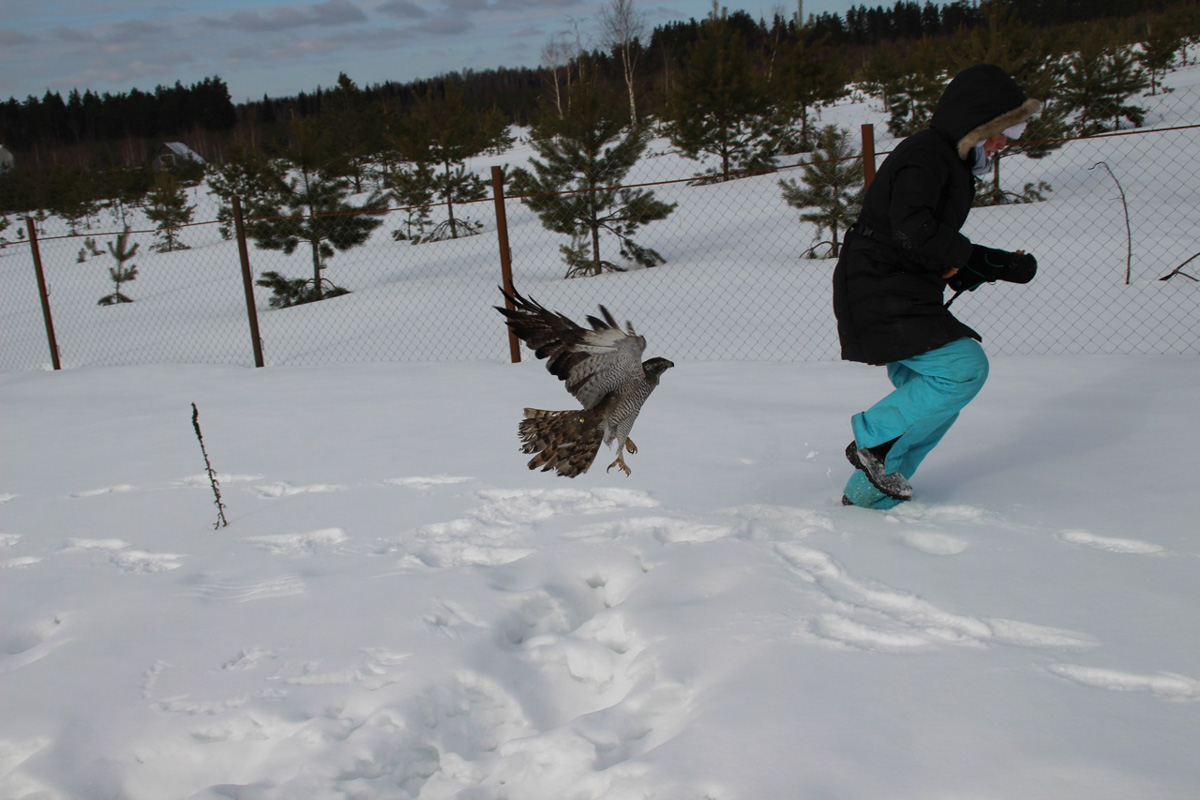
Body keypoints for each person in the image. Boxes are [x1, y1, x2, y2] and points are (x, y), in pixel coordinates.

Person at [832, 64, 1042, 509]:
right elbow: (912, 227)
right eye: (1004, 130)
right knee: (963, 368)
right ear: (978, 123)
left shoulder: (951, 163)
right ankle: (872, 440)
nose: (1007, 143)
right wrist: (977, 257)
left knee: (929, 396)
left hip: (901, 284)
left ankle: (868, 500)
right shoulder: (926, 153)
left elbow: (918, 236)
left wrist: (969, 265)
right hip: (877, 285)